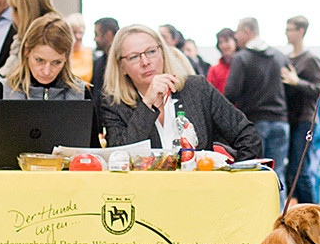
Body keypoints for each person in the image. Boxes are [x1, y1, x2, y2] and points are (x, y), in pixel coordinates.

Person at [100, 24, 261, 161]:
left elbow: (248, 136)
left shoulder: (197, 88)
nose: (146, 62)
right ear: (121, 67)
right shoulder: (114, 104)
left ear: (163, 53)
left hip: (201, 192)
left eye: (151, 52)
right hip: (147, 194)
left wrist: (232, 179)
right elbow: (119, 158)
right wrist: (147, 104)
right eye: (134, 57)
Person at [0, 13, 101, 147]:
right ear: (26, 52)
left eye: (56, 62)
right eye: (39, 60)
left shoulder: (80, 94)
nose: (46, 71)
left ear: (67, 58)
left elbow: (94, 153)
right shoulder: (3, 91)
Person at [224, 17, 289, 197]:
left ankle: (262, 220)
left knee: (256, 174)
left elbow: (231, 93)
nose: (236, 36)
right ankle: (280, 219)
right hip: (281, 122)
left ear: (247, 31)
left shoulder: (241, 59)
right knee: (278, 173)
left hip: (254, 124)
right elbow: (290, 89)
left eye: (237, 32)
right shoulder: (280, 57)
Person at [283, 15, 320, 204]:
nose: (286, 32)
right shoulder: (285, 59)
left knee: (301, 171)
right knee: (292, 171)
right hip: (289, 120)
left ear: (300, 31)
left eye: (289, 29)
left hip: (304, 120)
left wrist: (297, 82)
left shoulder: (310, 60)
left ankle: (313, 214)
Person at [0, 0, 56, 78]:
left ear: (23, 10)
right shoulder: (23, 36)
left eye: (14, 9)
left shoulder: (46, 35)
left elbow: (10, 74)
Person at [90, 17, 119, 106]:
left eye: (97, 34)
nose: (95, 39)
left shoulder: (122, 63)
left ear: (108, 35)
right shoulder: (98, 62)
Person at [206, 28, 236, 94]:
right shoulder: (214, 70)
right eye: (220, 42)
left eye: (226, 41)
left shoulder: (243, 65)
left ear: (235, 41)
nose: (223, 46)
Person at [66, 13, 93, 83]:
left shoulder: (91, 54)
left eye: (80, 32)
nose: (78, 36)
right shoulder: (63, 54)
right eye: (74, 32)